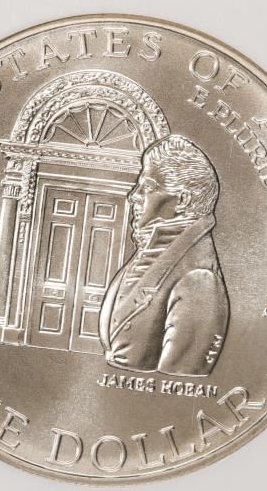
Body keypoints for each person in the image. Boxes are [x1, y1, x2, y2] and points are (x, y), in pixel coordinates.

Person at [98, 134, 230, 377]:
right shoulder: (150, 249)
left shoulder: (199, 279)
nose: (133, 195)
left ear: (182, 200)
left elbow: (178, 380)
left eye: (148, 187)